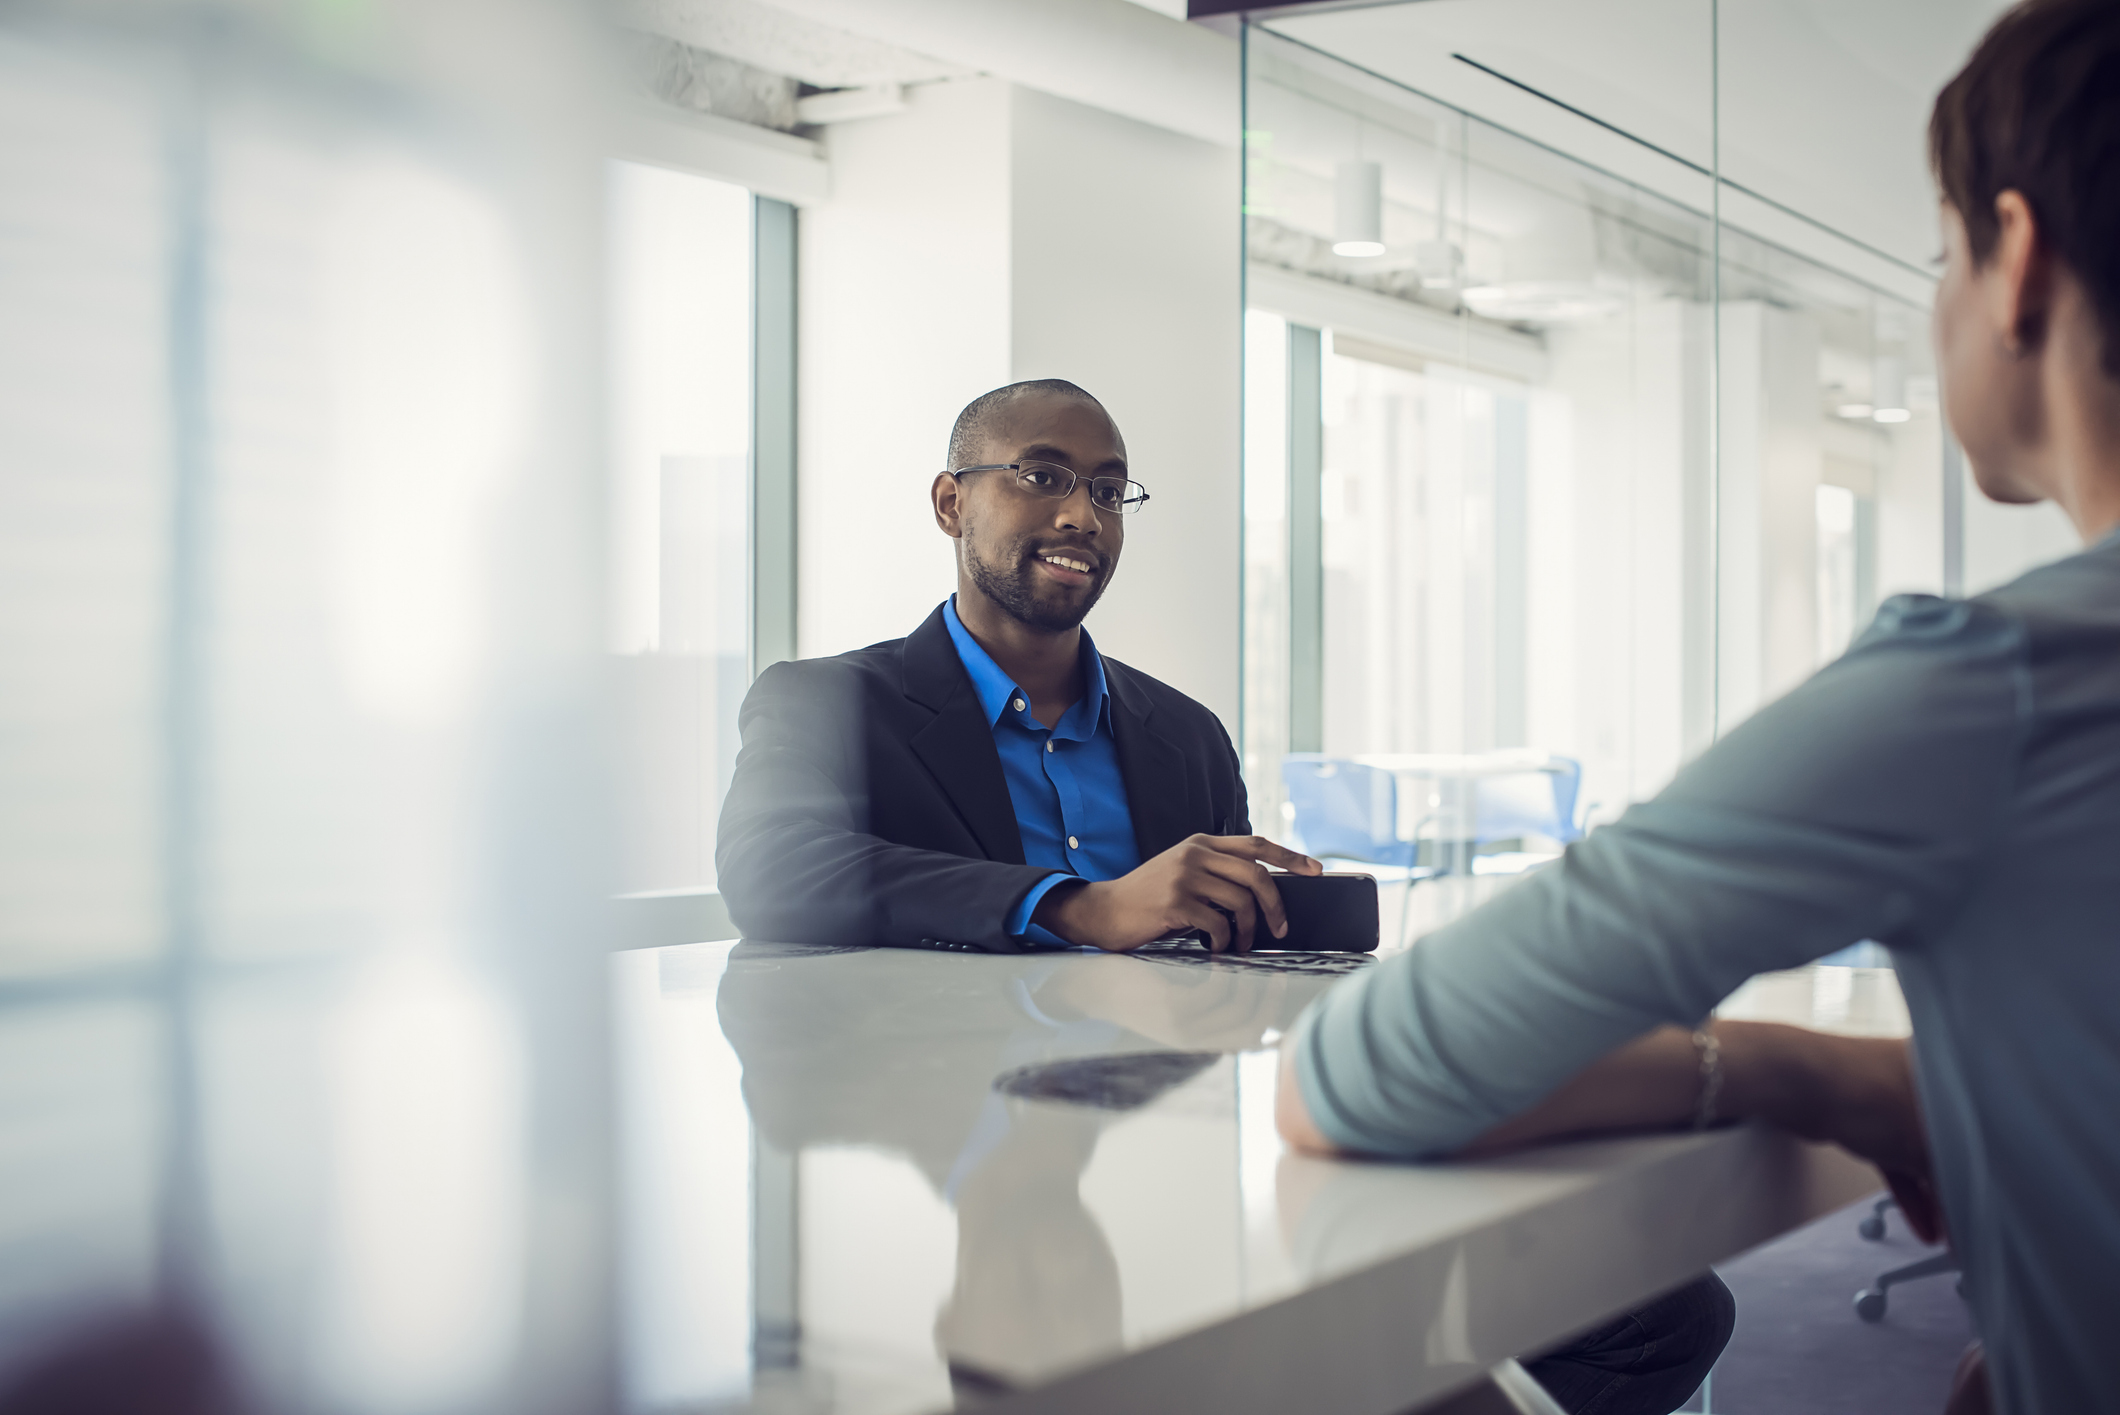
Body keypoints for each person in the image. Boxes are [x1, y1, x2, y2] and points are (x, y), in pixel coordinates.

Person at [1277, 4, 2120, 1413]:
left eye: (1941, 253)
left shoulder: (1996, 690)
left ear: (2015, 262)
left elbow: (1356, 1072)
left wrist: (1804, 1068)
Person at [716, 379, 1733, 1415]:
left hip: (1196, 1132)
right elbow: (774, 868)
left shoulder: (1182, 732)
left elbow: (1237, 973)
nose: (1083, 515)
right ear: (948, 502)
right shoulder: (830, 699)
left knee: (1664, 1309)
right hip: (950, 1132)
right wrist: (1077, 903)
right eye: (1043, 476)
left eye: (1109, 491)